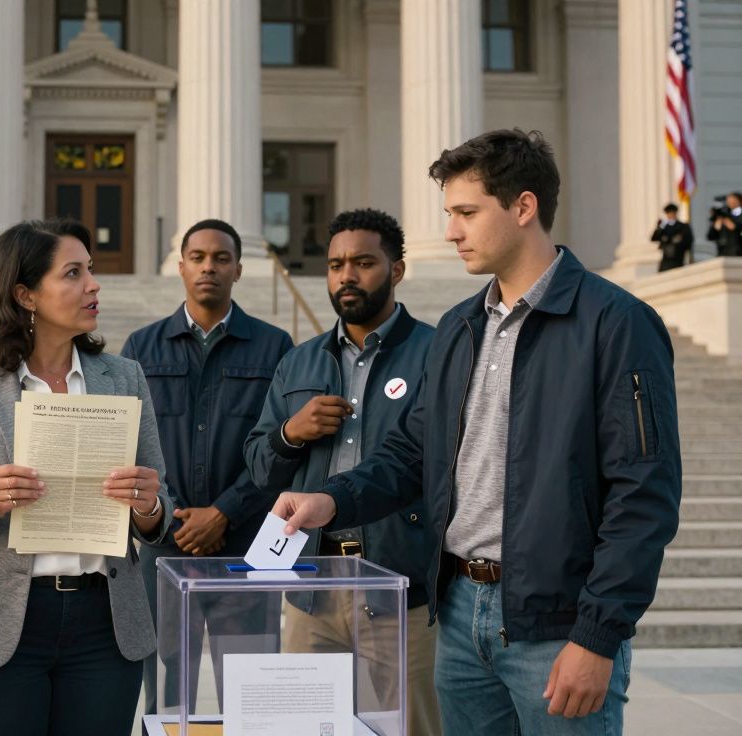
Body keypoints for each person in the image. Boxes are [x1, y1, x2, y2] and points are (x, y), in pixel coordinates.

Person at [273, 129, 681, 735]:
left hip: (557, 627)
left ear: (523, 207)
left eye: (466, 212)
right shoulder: (461, 327)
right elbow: (414, 453)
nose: (452, 232)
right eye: (450, 214)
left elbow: (642, 497)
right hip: (458, 616)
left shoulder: (617, 324)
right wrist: (330, 499)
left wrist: (597, 636)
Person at [0, 218, 173, 736]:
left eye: (91, 271)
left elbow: (158, 512)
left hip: (106, 623)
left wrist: (148, 504)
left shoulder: (124, 377)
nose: (93, 285)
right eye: (73, 273)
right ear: (26, 295)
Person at [244, 208, 440, 735]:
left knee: (410, 728)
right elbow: (261, 467)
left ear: (396, 271)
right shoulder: (299, 362)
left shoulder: (435, 353)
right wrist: (292, 433)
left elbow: (435, 464)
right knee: (305, 728)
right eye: (334, 265)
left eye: (362, 263)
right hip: (311, 585)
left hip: (400, 584)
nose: (346, 276)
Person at [120, 218, 292, 714]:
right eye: (198, 257)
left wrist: (223, 513)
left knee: (252, 691)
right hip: (163, 549)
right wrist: (174, 514)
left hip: (245, 548)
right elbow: (131, 446)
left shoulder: (273, 346)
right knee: (166, 697)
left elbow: (280, 450)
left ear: (239, 269)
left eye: (221, 258)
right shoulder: (141, 348)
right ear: (180, 267)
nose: (209, 267)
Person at [651, 203, 693, 271]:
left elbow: (688, 242)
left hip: (678, 259)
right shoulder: (664, 228)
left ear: (675, 213)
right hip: (666, 261)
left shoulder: (683, 227)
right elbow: (654, 238)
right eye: (668, 213)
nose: (670, 215)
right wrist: (660, 227)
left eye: (672, 213)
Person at [707, 192, 742, 257]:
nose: (729, 203)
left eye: (733, 200)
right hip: (722, 252)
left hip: (738, 252)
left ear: (739, 201)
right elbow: (710, 236)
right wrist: (716, 228)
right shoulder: (722, 216)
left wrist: (735, 227)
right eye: (728, 201)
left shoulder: (739, 216)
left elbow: (737, 229)